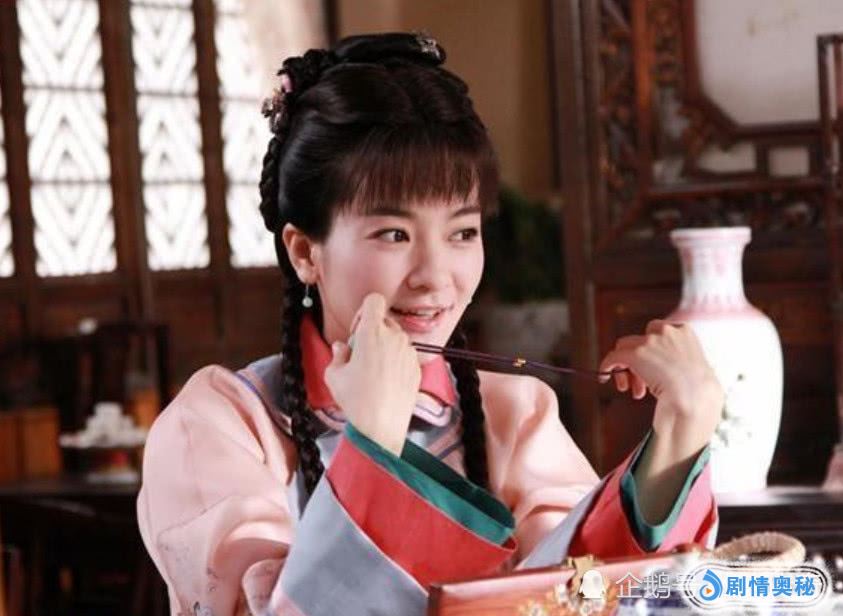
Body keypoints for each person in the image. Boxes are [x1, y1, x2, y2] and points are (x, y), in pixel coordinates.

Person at [137, 32, 723, 616]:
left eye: (462, 232)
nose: (435, 277)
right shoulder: (219, 423)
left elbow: (577, 598)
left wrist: (677, 442)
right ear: (304, 252)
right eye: (393, 234)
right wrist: (373, 445)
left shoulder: (514, 412)